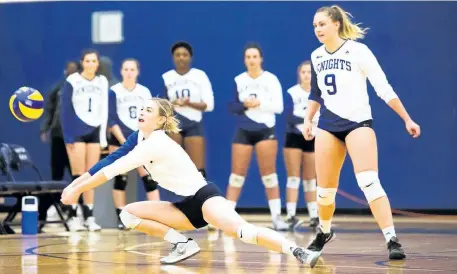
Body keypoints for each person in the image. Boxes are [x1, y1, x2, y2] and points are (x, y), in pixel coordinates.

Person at [60, 98, 320, 267]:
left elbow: (112, 171)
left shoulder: (156, 142)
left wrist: (76, 192)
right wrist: (72, 187)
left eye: (148, 110)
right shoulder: (138, 138)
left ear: (161, 120)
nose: (141, 112)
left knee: (243, 232)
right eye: (141, 109)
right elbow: (104, 164)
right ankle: (182, 243)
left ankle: (298, 251)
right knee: (128, 214)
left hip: (205, 197)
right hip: (184, 206)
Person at [302, 5, 420, 263]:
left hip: (357, 123)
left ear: (335, 24)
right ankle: (323, 232)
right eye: (314, 26)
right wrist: (307, 119)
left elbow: (383, 88)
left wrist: (407, 118)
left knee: (369, 181)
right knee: (324, 192)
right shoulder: (316, 56)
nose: (317, 29)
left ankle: (391, 238)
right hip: (327, 126)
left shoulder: (358, 51)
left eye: (321, 24)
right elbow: (316, 93)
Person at [226, 43, 288, 231]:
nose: (251, 60)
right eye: (248, 57)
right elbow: (232, 107)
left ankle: (277, 217)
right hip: (244, 130)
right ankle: (227, 218)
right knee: (237, 175)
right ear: (244, 60)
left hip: (265, 130)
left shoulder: (271, 80)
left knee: (269, 175)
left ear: (261, 59)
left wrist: (259, 103)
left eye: (254, 56)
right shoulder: (239, 80)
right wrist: (245, 105)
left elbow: (279, 107)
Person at [108, 58, 160, 229]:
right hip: (119, 138)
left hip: (140, 137)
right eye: (126, 69)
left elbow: (150, 116)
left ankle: (157, 216)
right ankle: (121, 217)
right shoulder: (114, 91)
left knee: (149, 178)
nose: (129, 72)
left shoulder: (144, 92)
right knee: (120, 178)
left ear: (137, 72)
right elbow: (111, 118)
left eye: (132, 69)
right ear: (121, 71)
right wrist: (125, 142)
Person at [60, 49, 109, 231]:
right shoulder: (72, 80)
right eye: (87, 61)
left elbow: (104, 110)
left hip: (94, 131)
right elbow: (65, 110)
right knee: (78, 174)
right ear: (82, 63)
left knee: (91, 176)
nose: (90, 64)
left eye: (93, 61)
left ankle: (89, 216)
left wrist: (103, 136)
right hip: (77, 131)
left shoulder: (102, 82)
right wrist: (68, 136)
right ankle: (73, 215)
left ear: (98, 64)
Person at [161, 41, 214, 179]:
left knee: (198, 171)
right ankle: (179, 200)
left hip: (193, 123)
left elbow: (209, 105)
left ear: (190, 57)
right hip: (174, 124)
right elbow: (163, 106)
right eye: (177, 55)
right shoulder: (167, 77)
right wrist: (174, 104)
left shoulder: (199, 75)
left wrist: (189, 103)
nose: (181, 58)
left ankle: (200, 199)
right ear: (173, 58)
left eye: (185, 54)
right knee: (175, 169)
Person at [39, 60, 79, 230]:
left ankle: (77, 212)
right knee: (57, 174)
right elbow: (49, 109)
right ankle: (53, 208)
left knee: (77, 176)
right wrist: (45, 128)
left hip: (76, 138)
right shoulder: (58, 88)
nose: (70, 73)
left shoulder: (81, 88)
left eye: (73, 70)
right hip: (58, 136)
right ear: (65, 72)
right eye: (68, 70)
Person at [283, 61, 319, 231]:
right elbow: (289, 117)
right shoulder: (292, 92)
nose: (306, 75)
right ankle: (291, 215)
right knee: (293, 178)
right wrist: (307, 120)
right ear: (299, 74)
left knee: (311, 179)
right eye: (303, 72)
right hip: (294, 137)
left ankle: (314, 216)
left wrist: (310, 122)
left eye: (309, 72)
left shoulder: (319, 94)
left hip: (312, 138)